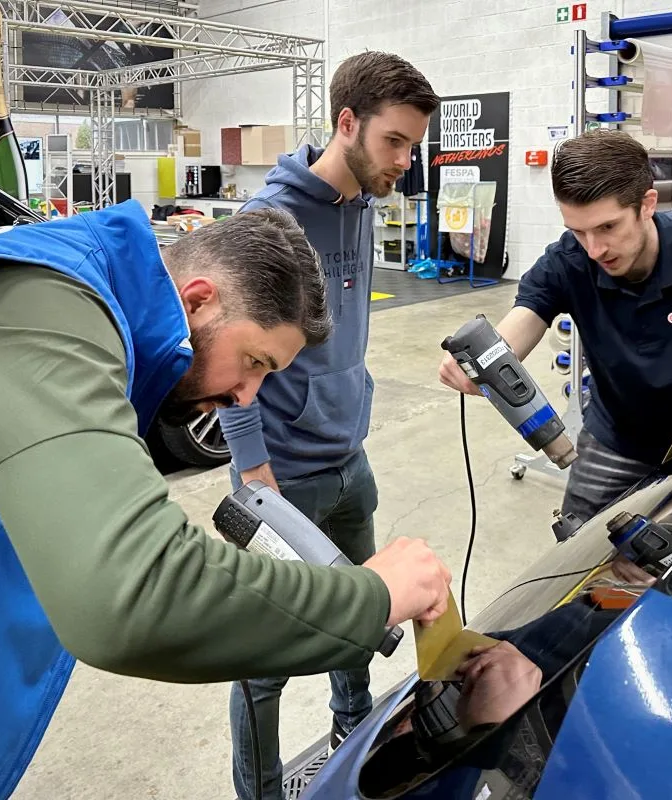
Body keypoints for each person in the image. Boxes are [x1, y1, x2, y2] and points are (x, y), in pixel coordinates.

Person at [0, 200, 453, 800]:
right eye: (253, 363)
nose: (247, 398)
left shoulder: (114, 338)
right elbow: (128, 591)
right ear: (196, 300)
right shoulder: (37, 300)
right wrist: (374, 597)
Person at [217, 52, 440, 800]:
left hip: (350, 455)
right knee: (266, 661)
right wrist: (253, 471)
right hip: (281, 472)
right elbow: (225, 353)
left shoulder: (367, 202)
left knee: (363, 612)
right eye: (394, 142)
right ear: (346, 123)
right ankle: (262, 789)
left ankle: (354, 727)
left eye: (412, 146)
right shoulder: (269, 221)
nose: (404, 163)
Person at [440, 129, 672, 526]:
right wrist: (480, 367)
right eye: (579, 231)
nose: (594, 250)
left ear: (647, 204)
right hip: (615, 442)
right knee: (577, 560)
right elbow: (511, 337)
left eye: (608, 228)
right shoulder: (566, 261)